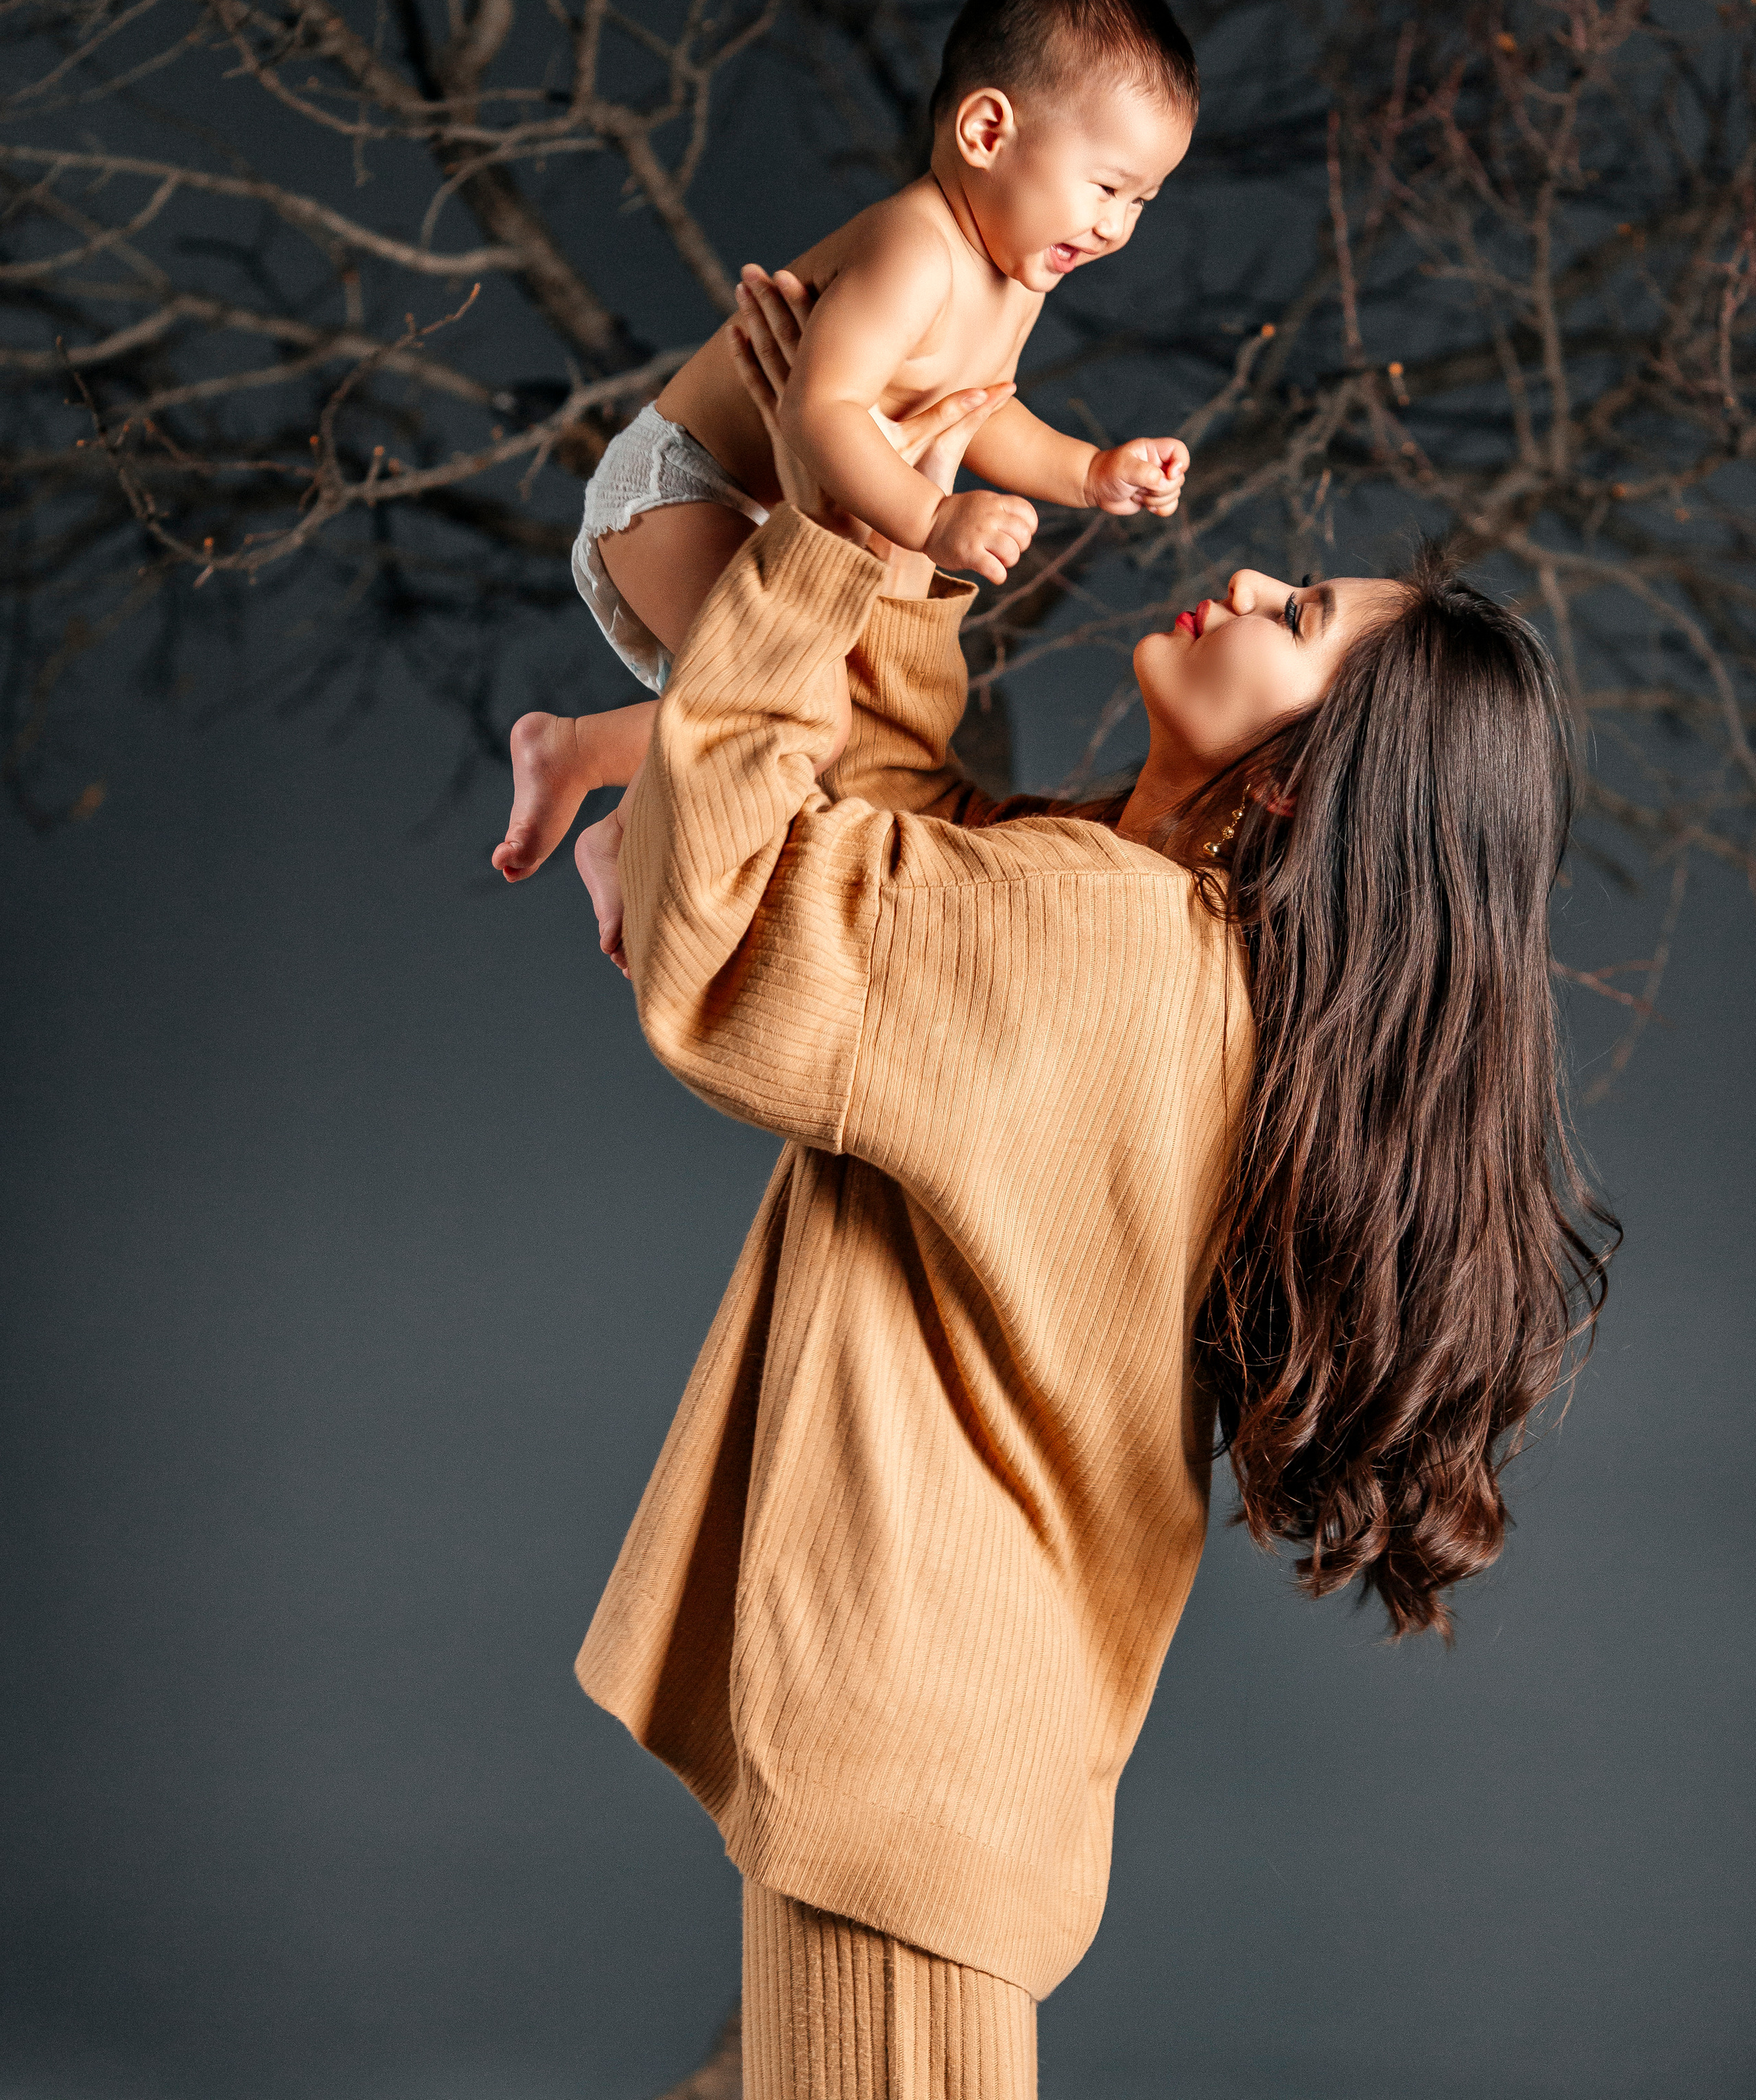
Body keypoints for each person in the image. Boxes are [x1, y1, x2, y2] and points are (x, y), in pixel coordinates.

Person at [573, 278, 1617, 2099]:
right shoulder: (1125, 915)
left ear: (1303, 789)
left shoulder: (1113, 950)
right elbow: (905, 834)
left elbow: (729, 927)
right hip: (941, 1786)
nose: (1251, 583)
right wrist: (899, 533)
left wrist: (824, 537)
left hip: (909, 1792)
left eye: (1297, 622)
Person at [490, 0, 1199, 966]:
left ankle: (615, 832)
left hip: (767, 514)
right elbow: (823, 413)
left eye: (1144, 203)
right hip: (686, 486)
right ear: (988, 130)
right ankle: (568, 751)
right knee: (798, 715)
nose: (1117, 227)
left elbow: (979, 409)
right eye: (1107, 187)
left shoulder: (1015, 279)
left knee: (777, 709)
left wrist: (1089, 470)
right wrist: (932, 519)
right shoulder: (914, 249)